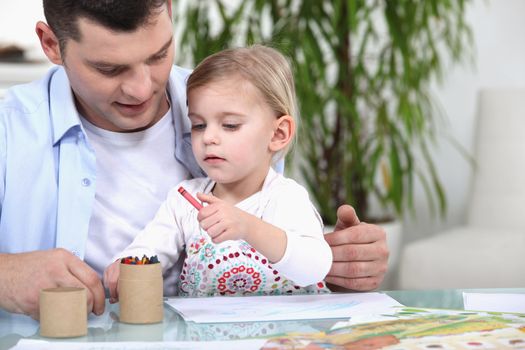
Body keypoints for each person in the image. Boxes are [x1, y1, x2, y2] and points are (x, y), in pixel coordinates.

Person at [0, 0, 388, 319]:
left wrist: (342, 265)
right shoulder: (9, 130)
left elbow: (289, 263)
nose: (140, 89)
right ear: (51, 44)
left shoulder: (235, 104)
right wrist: (7, 275)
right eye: (109, 68)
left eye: (158, 55)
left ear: (169, 11)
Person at [105, 45, 332, 299]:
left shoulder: (285, 197)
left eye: (230, 125)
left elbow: (315, 267)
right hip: (208, 336)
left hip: (283, 336)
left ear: (278, 134)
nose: (209, 138)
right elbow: (151, 247)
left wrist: (248, 227)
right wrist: (127, 263)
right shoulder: (186, 200)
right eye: (199, 125)